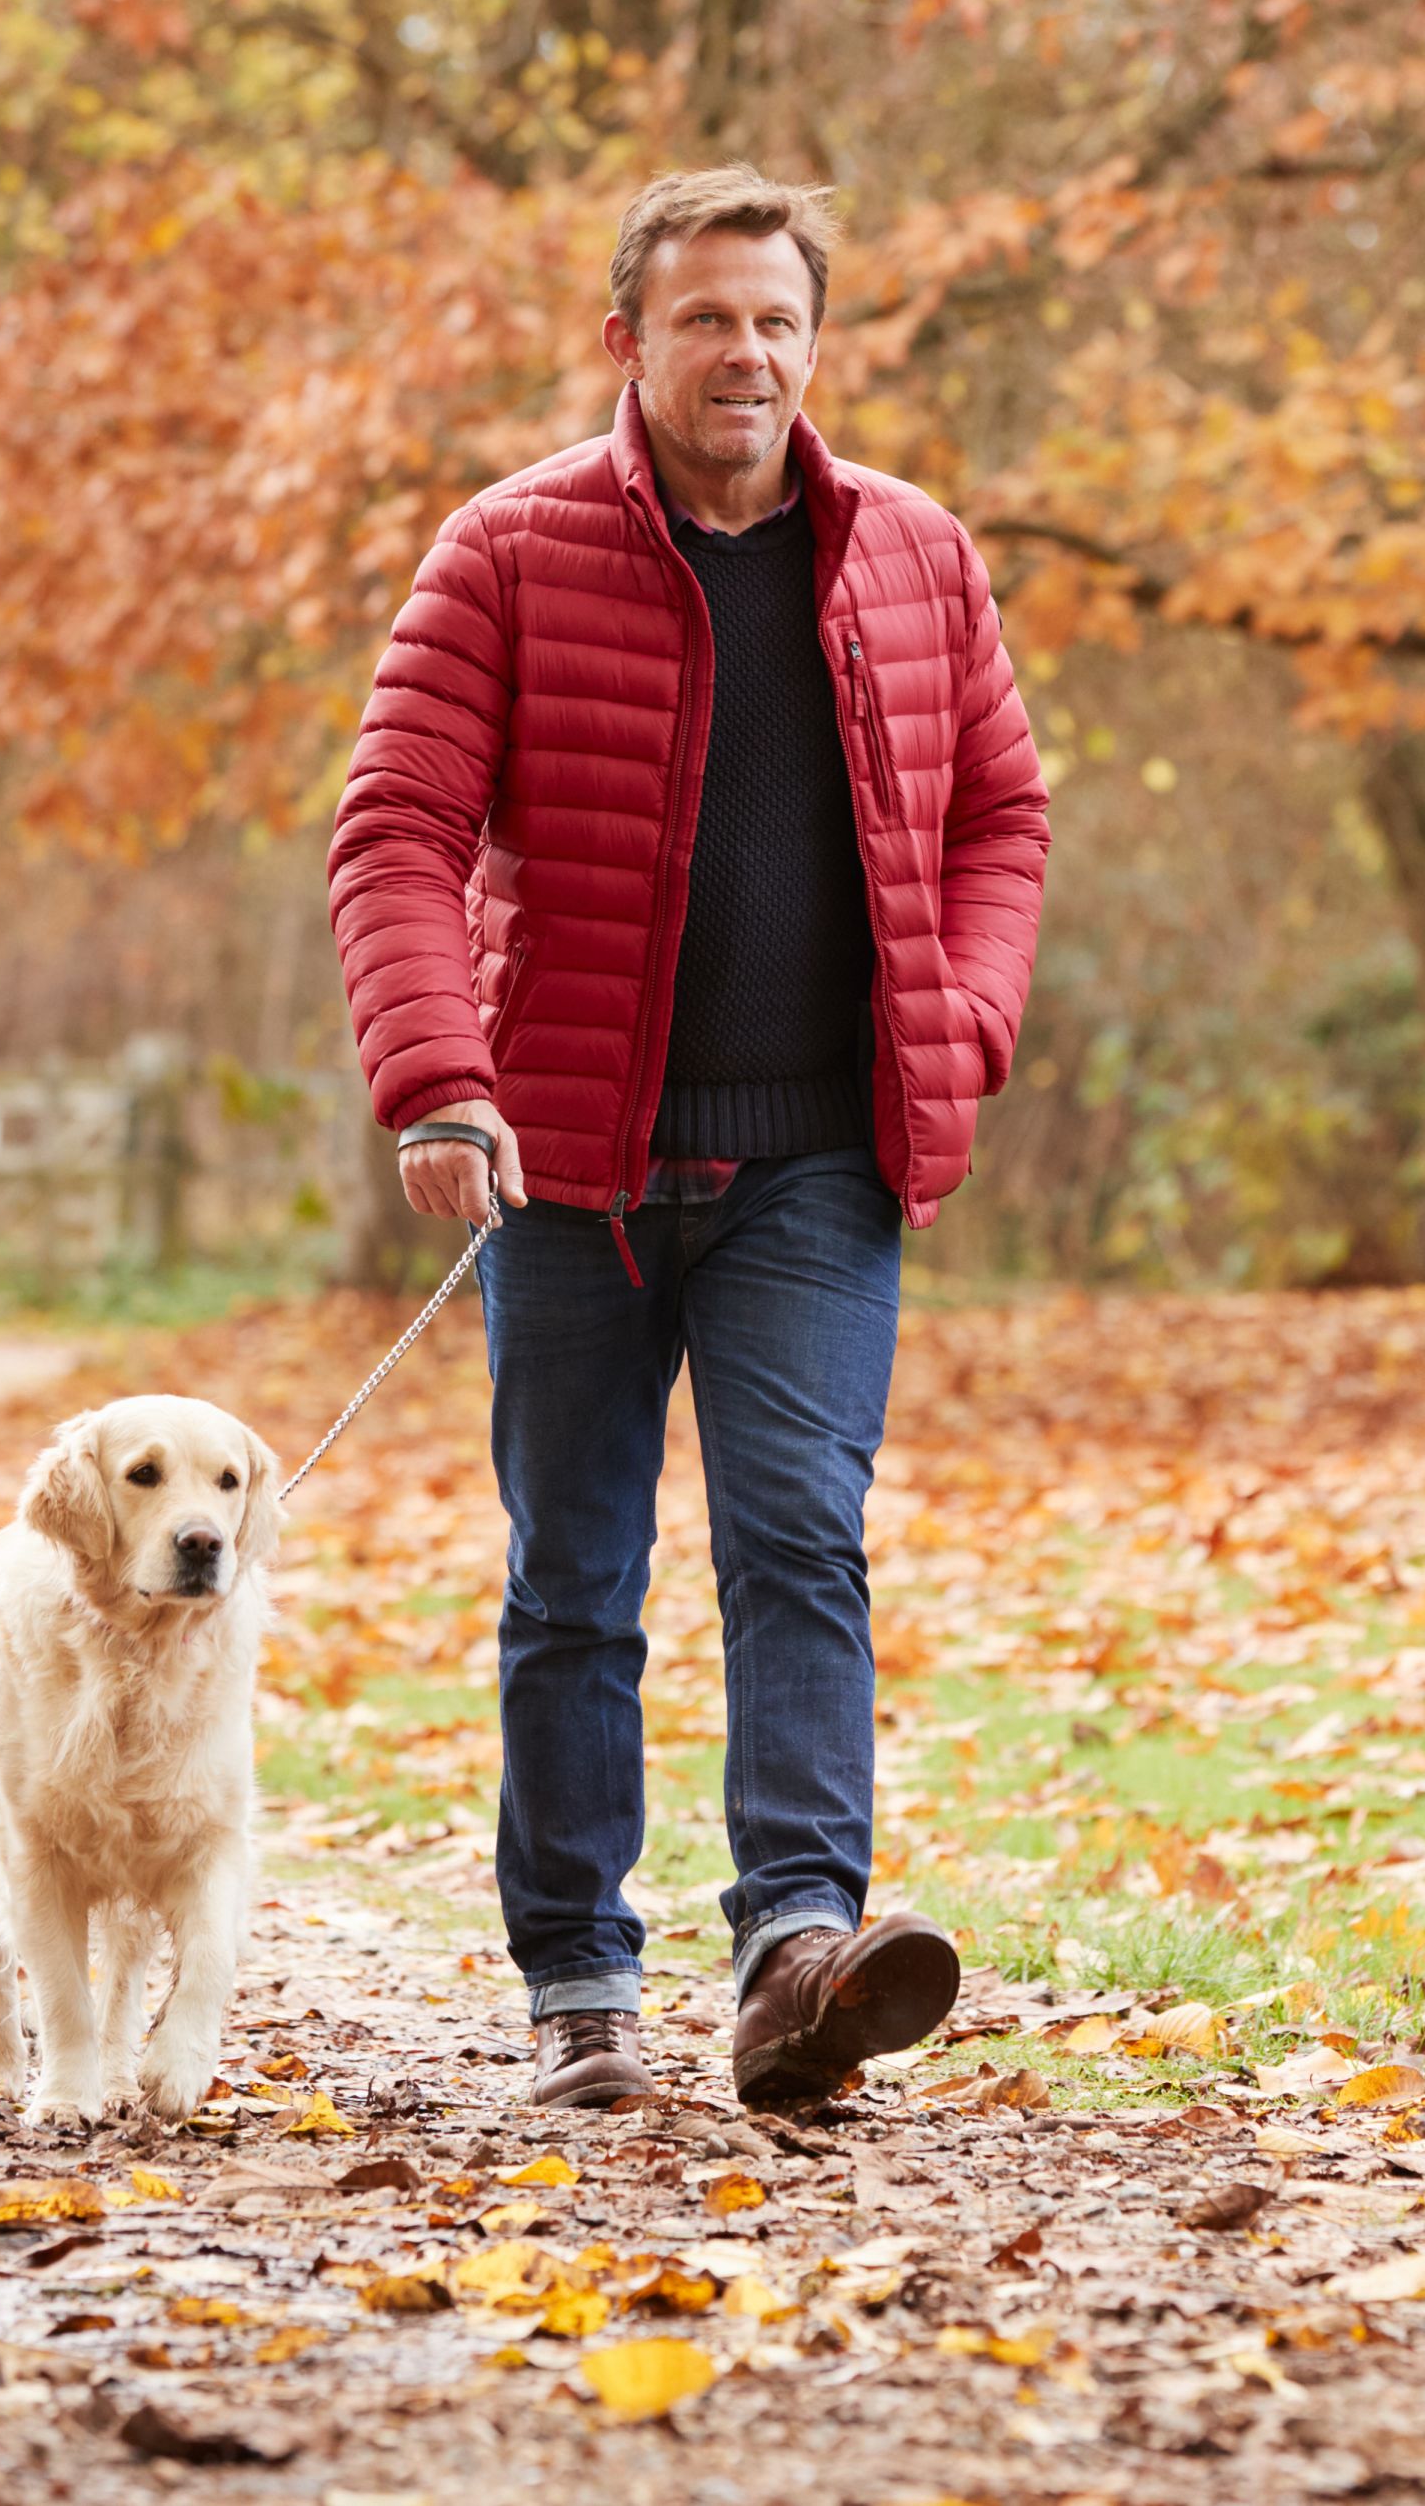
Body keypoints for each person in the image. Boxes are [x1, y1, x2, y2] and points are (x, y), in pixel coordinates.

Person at [326, 166, 1050, 2108]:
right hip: (570, 1164)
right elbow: (394, 829)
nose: (747, 352)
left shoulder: (913, 555)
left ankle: (798, 1956)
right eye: (709, 317)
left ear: (815, 345)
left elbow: (1001, 815)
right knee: (575, 1574)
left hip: (820, 1160)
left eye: (777, 321)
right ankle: (578, 1980)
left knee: (799, 1539)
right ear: (628, 339)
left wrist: (967, 1022)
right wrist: (437, 1077)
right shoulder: (505, 551)